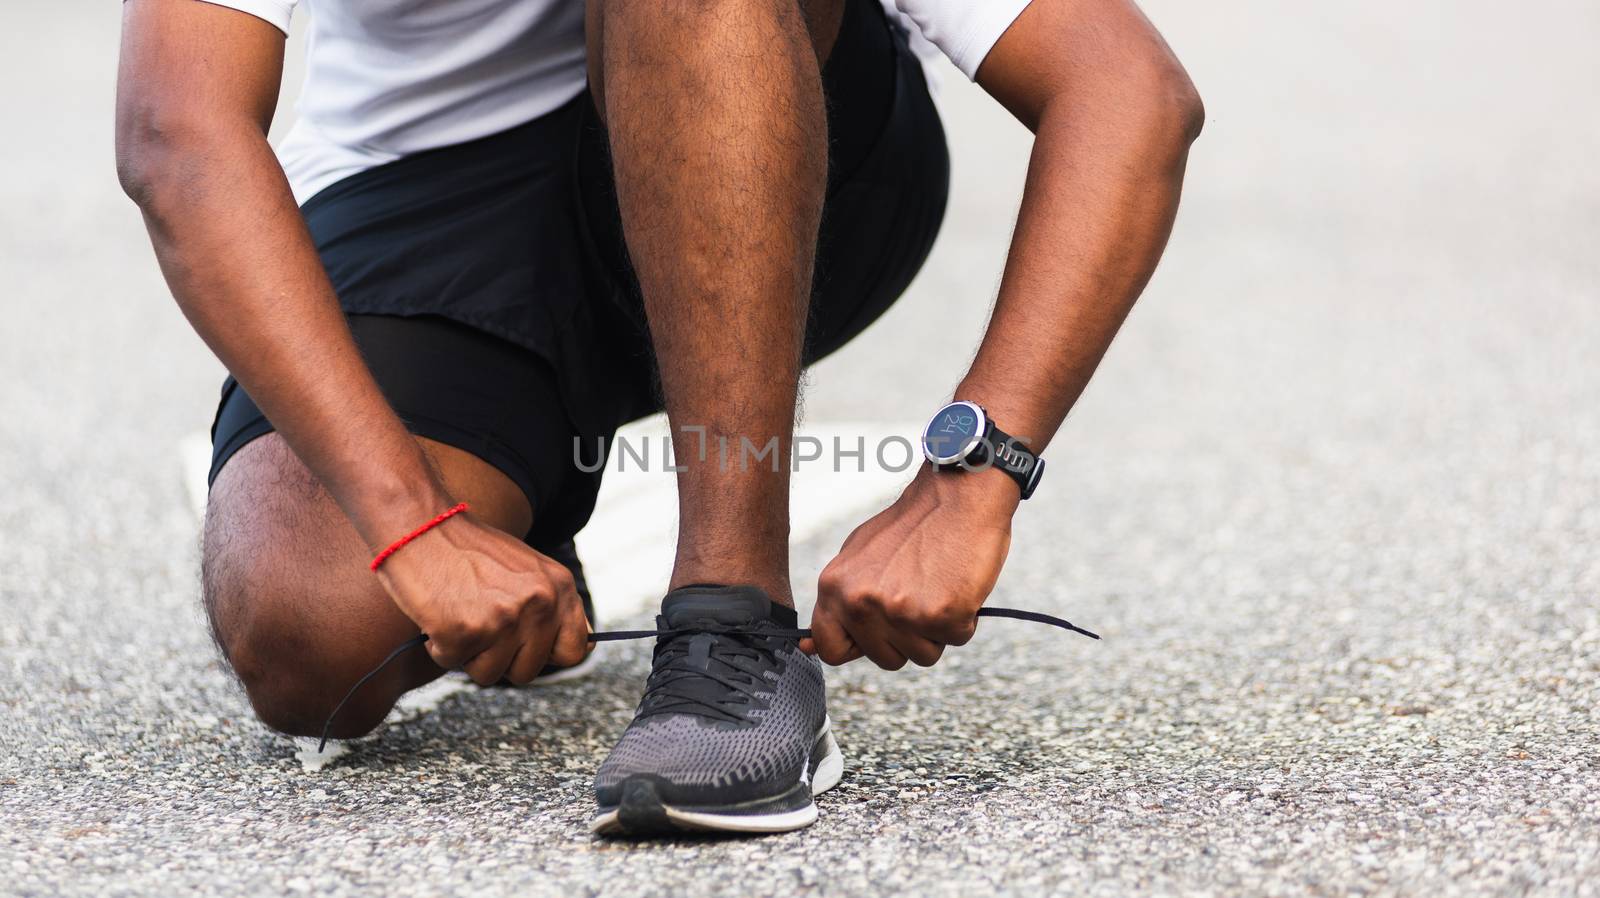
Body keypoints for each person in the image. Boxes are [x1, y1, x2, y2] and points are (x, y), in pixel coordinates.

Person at [116, 0, 1202, 834]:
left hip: (772, 94)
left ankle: (731, 624)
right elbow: (179, 129)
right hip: (427, 181)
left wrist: (974, 478)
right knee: (311, 642)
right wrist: (415, 523)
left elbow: (1123, 93)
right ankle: (519, 505)